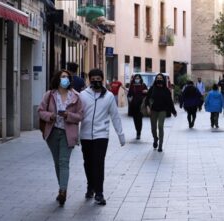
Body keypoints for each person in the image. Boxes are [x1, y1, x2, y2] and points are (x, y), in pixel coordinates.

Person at [79, 69, 125, 206]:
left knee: (98, 163)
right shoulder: (82, 95)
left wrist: (121, 135)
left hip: (102, 135)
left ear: (103, 79)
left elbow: (115, 116)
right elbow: (77, 115)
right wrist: (74, 135)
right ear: (89, 80)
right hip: (85, 135)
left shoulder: (109, 96)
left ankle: (99, 193)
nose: (96, 81)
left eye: (98, 78)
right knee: (88, 163)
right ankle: (90, 186)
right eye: (93, 78)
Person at [38, 70, 83, 206]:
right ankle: (61, 188)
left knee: (64, 162)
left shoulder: (76, 96)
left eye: (68, 77)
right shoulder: (50, 95)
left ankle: (63, 191)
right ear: (58, 79)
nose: (66, 79)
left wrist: (68, 115)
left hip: (67, 133)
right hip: (52, 133)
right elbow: (40, 111)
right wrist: (50, 116)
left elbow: (80, 116)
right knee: (57, 162)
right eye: (63, 77)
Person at [145, 73, 177, 152]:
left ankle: (160, 145)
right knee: (153, 128)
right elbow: (147, 99)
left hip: (162, 110)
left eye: (160, 78)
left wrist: (173, 111)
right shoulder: (152, 89)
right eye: (158, 78)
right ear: (156, 79)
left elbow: (170, 102)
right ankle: (155, 139)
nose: (159, 79)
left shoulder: (166, 90)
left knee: (160, 126)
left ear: (163, 79)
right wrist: (148, 107)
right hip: (153, 111)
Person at [127, 74, 148, 139]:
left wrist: (146, 91)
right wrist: (130, 99)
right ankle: (137, 130)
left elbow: (148, 93)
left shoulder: (143, 85)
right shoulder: (132, 86)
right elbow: (129, 94)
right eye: (136, 78)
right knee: (135, 119)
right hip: (134, 105)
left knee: (140, 119)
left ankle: (139, 132)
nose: (137, 79)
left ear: (140, 79)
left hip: (141, 105)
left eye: (138, 78)